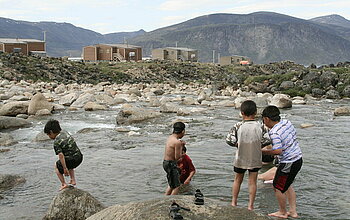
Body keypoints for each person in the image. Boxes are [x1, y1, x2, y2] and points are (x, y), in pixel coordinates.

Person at [226, 100, 271, 210]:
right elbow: (267, 140)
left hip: (240, 157)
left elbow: (229, 140)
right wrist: (258, 145)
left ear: (242, 113)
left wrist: (237, 144)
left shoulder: (238, 126)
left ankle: (234, 202)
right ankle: (250, 206)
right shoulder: (260, 126)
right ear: (256, 113)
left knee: (237, 180)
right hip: (255, 157)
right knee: (252, 182)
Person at [261, 105, 303, 219]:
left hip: (288, 162)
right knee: (287, 184)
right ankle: (293, 212)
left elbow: (278, 151)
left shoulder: (274, 132)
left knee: (277, 186)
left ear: (266, 119)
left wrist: (264, 152)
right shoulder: (286, 122)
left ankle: (282, 212)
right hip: (298, 158)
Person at [44, 119, 83, 191]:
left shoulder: (57, 141)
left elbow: (61, 155)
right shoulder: (65, 132)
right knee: (70, 162)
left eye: (48, 134)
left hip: (71, 159)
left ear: (51, 132)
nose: (49, 136)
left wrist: (64, 168)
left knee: (56, 166)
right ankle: (73, 180)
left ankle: (63, 184)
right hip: (79, 157)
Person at [163, 122, 186, 195]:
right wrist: (181, 146)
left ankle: (165, 200)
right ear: (182, 131)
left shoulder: (170, 137)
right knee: (176, 186)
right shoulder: (177, 142)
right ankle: (171, 203)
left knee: (171, 185)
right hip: (171, 164)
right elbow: (177, 158)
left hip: (165, 162)